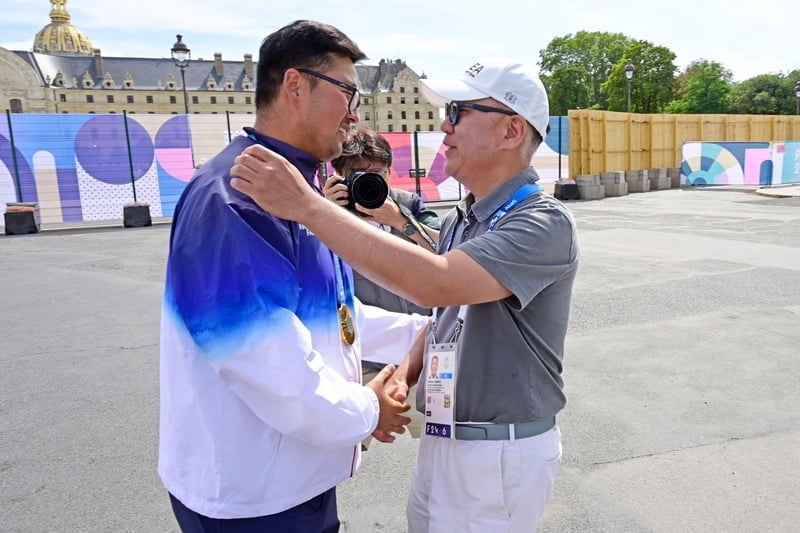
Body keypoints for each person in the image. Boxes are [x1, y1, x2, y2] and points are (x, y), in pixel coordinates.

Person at [231, 56, 579, 532]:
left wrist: (307, 206)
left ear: (512, 131)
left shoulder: (542, 222)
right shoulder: (466, 216)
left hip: (497, 452)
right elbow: (444, 315)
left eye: (459, 112)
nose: (444, 125)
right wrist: (404, 376)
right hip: (447, 438)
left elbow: (432, 282)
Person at [158, 20, 429, 532]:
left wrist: (422, 333)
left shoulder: (297, 189)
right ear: (296, 86)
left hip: (292, 478)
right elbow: (265, 362)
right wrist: (368, 408)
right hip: (253, 496)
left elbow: (333, 315)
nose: (355, 113)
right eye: (347, 91)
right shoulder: (237, 197)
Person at [324, 127, 441, 449]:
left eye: (376, 173)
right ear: (340, 177)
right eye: (356, 175)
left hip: (419, 357)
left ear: (390, 172)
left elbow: (447, 256)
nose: (367, 181)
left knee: (441, 444)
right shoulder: (328, 215)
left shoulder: (409, 205)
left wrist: (399, 220)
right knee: (342, 451)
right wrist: (322, 212)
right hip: (362, 360)